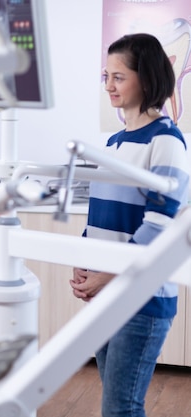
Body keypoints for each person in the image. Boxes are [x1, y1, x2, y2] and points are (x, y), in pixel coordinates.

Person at [70, 33, 190, 417]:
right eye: (106, 76)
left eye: (119, 77)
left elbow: (158, 226)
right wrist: (85, 260)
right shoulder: (114, 143)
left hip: (142, 298)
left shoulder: (167, 141)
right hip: (108, 291)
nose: (109, 85)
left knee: (121, 406)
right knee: (115, 401)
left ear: (148, 77)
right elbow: (100, 214)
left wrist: (106, 275)